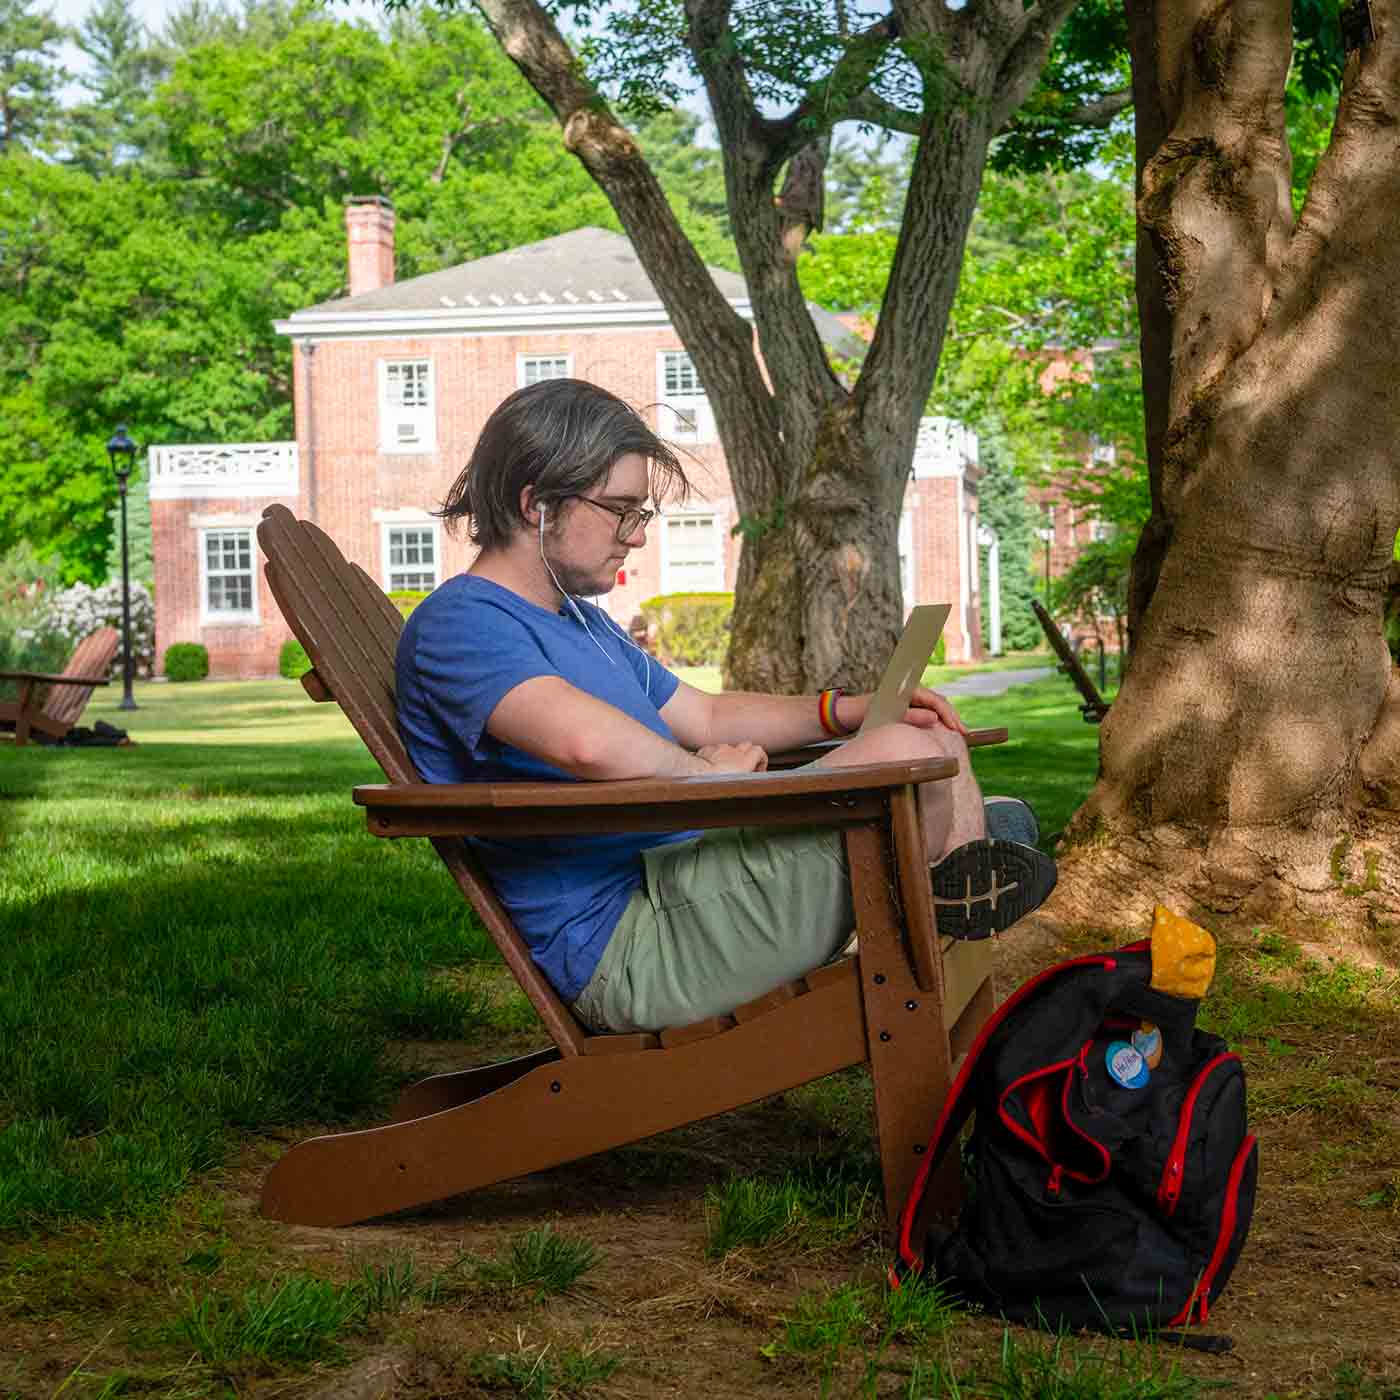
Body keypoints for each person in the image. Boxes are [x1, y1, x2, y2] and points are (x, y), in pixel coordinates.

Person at [396, 380, 1056, 1033]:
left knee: (932, 737)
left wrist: (844, 711)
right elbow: (584, 744)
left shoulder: (582, 624)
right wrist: (708, 776)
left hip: (694, 877)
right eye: (621, 509)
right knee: (907, 757)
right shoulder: (464, 623)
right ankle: (943, 874)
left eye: (640, 514)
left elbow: (706, 716)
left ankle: (944, 881)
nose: (636, 537)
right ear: (537, 504)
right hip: (636, 939)